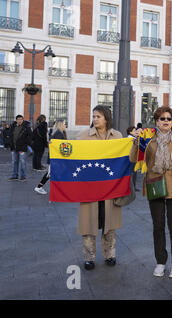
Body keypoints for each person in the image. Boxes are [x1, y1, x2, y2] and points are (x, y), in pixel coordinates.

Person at [130, 107, 172, 278]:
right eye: (162, 118)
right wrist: (136, 141)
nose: (166, 121)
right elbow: (134, 159)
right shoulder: (148, 140)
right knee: (158, 226)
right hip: (155, 184)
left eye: (169, 119)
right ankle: (160, 261)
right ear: (156, 121)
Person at [77, 105, 123, 270]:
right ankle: (89, 257)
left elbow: (124, 159)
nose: (95, 119)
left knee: (109, 224)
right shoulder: (83, 136)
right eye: (94, 116)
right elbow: (72, 156)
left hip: (111, 189)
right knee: (88, 225)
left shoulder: (117, 136)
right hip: (90, 188)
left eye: (98, 116)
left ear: (106, 118)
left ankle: (110, 255)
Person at [34, 120, 67, 195]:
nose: (65, 125)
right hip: (55, 158)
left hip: (55, 157)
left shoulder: (57, 132)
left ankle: (58, 190)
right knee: (50, 173)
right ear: (61, 125)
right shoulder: (59, 133)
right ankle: (39, 187)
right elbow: (59, 147)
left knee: (55, 173)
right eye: (65, 124)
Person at [8, 115, 32, 181]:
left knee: (22, 162)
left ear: (23, 120)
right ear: (16, 120)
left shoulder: (26, 127)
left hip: (22, 148)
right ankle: (15, 175)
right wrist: (11, 146)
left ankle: (23, 176)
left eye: (21, 119)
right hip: (14, 147)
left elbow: (30, 136)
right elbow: (10, 136)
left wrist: (24, 144)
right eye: (18, 119)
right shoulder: (13, 126)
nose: (19, 120)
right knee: (15, 162)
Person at [126, 126, 140, 192]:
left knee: (134, 173)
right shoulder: (130, 138)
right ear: (130, 132)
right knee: (132, 173)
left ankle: (133, 187)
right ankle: (131, 187)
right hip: (131, 158)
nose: (136, 132)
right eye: (134, 130)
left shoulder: (134, 138)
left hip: (134, 157)